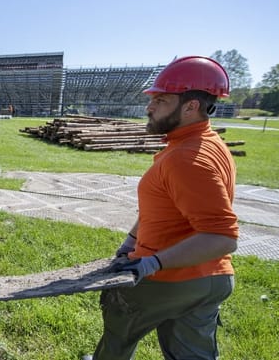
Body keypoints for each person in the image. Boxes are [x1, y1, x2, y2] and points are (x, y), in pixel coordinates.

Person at [90, 56, 239, 360]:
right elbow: (162, 207)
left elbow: (223, 236)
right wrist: (131, 242)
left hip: (168, 279)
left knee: (119, 333)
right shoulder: (206, 142)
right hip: (212, 279)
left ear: (190, 106)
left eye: (160, 100)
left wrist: (150, 264)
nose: (149, 107)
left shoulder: (187, 158)